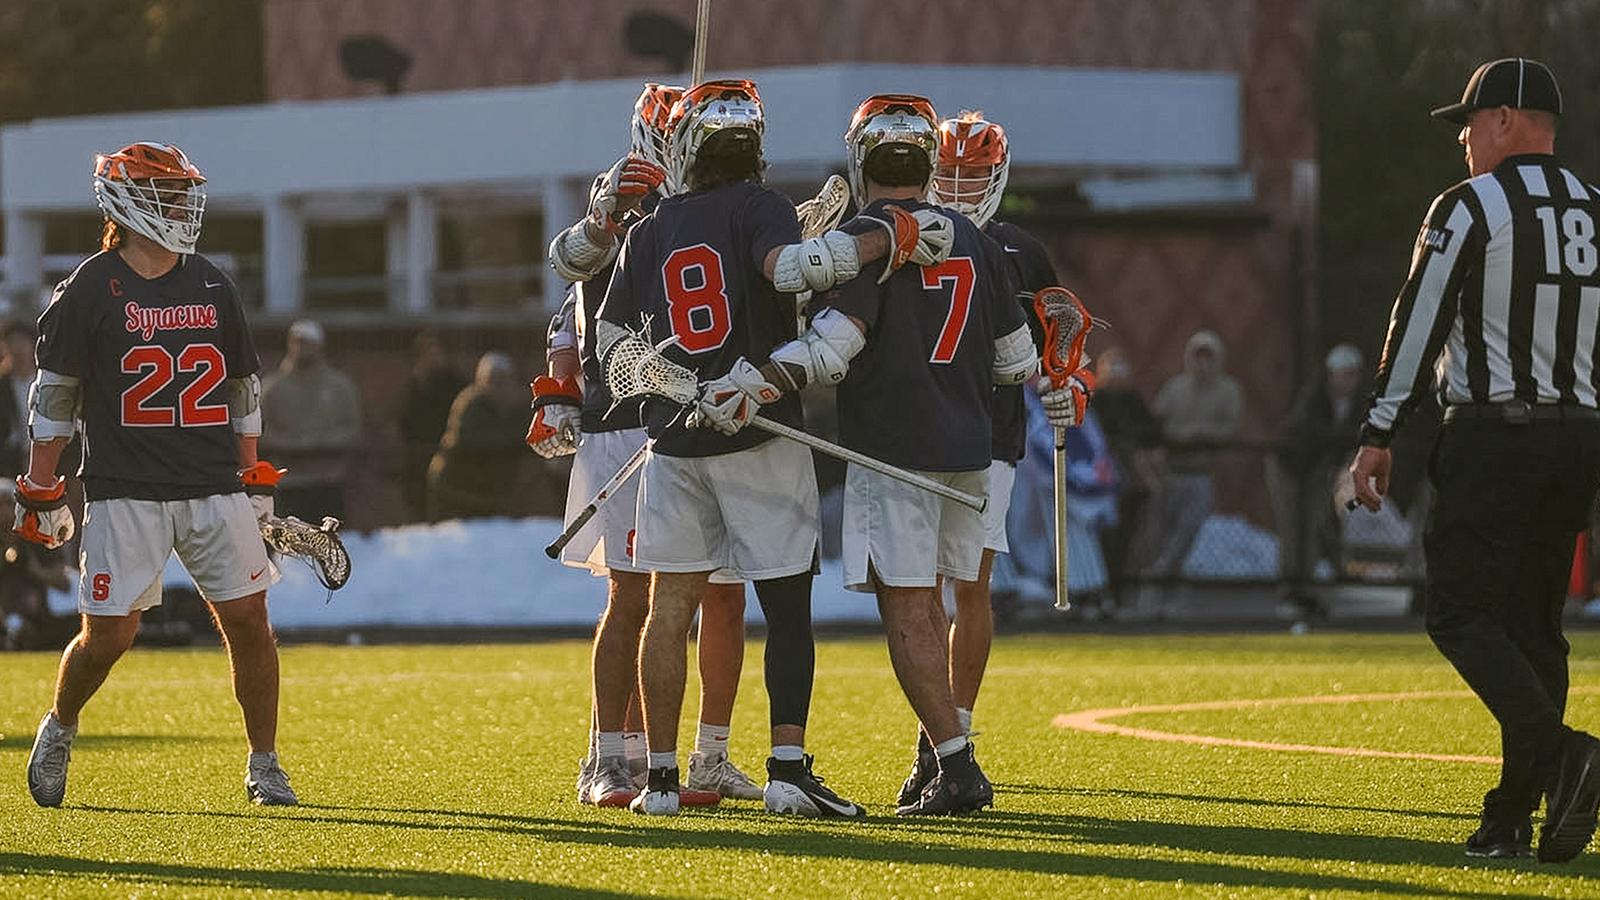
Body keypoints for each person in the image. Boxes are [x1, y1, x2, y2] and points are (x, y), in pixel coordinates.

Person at [692, 93, 1074, 815]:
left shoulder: (868, 235)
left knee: (908, 608)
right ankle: (948, 754)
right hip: (972, 448)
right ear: (927, 161)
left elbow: (836, 346)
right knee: (945, 600)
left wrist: (758, 380)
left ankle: (957, 769)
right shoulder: (981, 241)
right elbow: (1015, 362)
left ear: (861, 159)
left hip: (896, 448)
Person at [598, 79, 952, 817]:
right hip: (760, 435)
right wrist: (886, 235)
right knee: (786, 608)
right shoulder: (759, 207)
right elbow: (793, 273)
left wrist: (672, 381)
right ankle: (788, 771)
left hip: (676, 443)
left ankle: (661, 783)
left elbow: (610, 347)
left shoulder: (650, 226)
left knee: (670, 607)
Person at [1349, 58, 1600, 863]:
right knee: (1536, 627)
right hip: (1579, 438)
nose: (1462, 137)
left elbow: (1418, 320)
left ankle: (1566, 758)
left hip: (1497, 433)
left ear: (1505, 119)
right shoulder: (1595, 211)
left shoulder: (1470, 206)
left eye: (1470, 120)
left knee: (1458, 612)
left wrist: (1380, 429)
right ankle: (1512, 817)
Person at [17, 141, 295, 807]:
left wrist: (252, 473)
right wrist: (41, 486)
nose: (181, 204)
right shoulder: (87, 289)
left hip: (211, 485)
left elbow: (241, 386)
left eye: (181, 192)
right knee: (110, 635)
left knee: (250, 620)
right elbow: (54, 398)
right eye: (167, 192)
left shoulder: (211, 281)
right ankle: (60, 726)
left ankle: (264, 762)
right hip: (124, 489)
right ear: (127, 200)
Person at [532, 82, 761, 808]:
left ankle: (710, 755)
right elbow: (568, 281)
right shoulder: (621, 198)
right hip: (626, 416)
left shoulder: (728, 200)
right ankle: (610, 755)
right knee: (632, 593)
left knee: (723, 595)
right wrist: (559, 384)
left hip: (706, 412)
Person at [915, 110, 1070, 797]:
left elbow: (1060, 341)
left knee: (968, 586)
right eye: (946, 173)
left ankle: (953, 737)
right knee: (915, 595)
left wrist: (1070, 384)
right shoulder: (906, 239)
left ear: (997, 177)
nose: (956, 186)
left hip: (991, 435)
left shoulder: (1021, 250)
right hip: (915, 433)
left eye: (971, 175)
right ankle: (941, 740)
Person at [1143, 330, 1242, 577]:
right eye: (1198, 356)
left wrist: (1199, 433)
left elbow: (1230, 427)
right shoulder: (1175, 388)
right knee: (1160, 530)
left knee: (1190, 528)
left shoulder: (1228, 390)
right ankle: (1155, 589)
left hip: (1201, 472)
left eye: (1208, 356)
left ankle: (1169, 574)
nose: (1203, 363)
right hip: (1170, 471)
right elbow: (1158, 422)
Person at [1274, 343, 1365, 613]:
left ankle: (1307, 590)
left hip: (1318, 470)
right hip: (1289, 468)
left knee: (1314, 526)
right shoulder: (1313, 400)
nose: (1348, 380)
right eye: (1343, 374)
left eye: (1353, 374)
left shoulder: (1357, 405)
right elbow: (1310, 436)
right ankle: (1290, 592)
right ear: (1331, 375)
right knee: (1292, 528)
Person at [260, 319, 361, 521]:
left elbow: (353, 429)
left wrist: (321, 443)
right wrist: (292, 444)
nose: (301, 348)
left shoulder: (339, 387)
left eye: (307, 342)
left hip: (328, 480)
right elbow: (259, 431)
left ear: (319, 345)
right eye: (296, 342)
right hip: (289, 482)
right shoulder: (272, 388)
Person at [1089, 348, 1161, 607]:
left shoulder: (1133, 401)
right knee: (1105, 539)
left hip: (1131, 484)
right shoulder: (1096, 401)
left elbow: (1152, 432)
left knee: (1131, 540)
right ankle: (1103, 590)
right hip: (1101, 486)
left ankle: (1122, 593)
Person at [425, 352, 528, 520]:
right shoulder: (470, 404)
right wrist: (513, 438)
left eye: (503, 381)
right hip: (455, 487)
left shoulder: (511, 408)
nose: (499, 386)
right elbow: (468, 439)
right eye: (494, 380)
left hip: (485, 492)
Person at [398, 331, 464, 521]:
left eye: (435, 352)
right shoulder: (414, 387)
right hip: (417, 462)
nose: (432, 358)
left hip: (449, 460)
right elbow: (406, 421)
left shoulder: (456, 384)